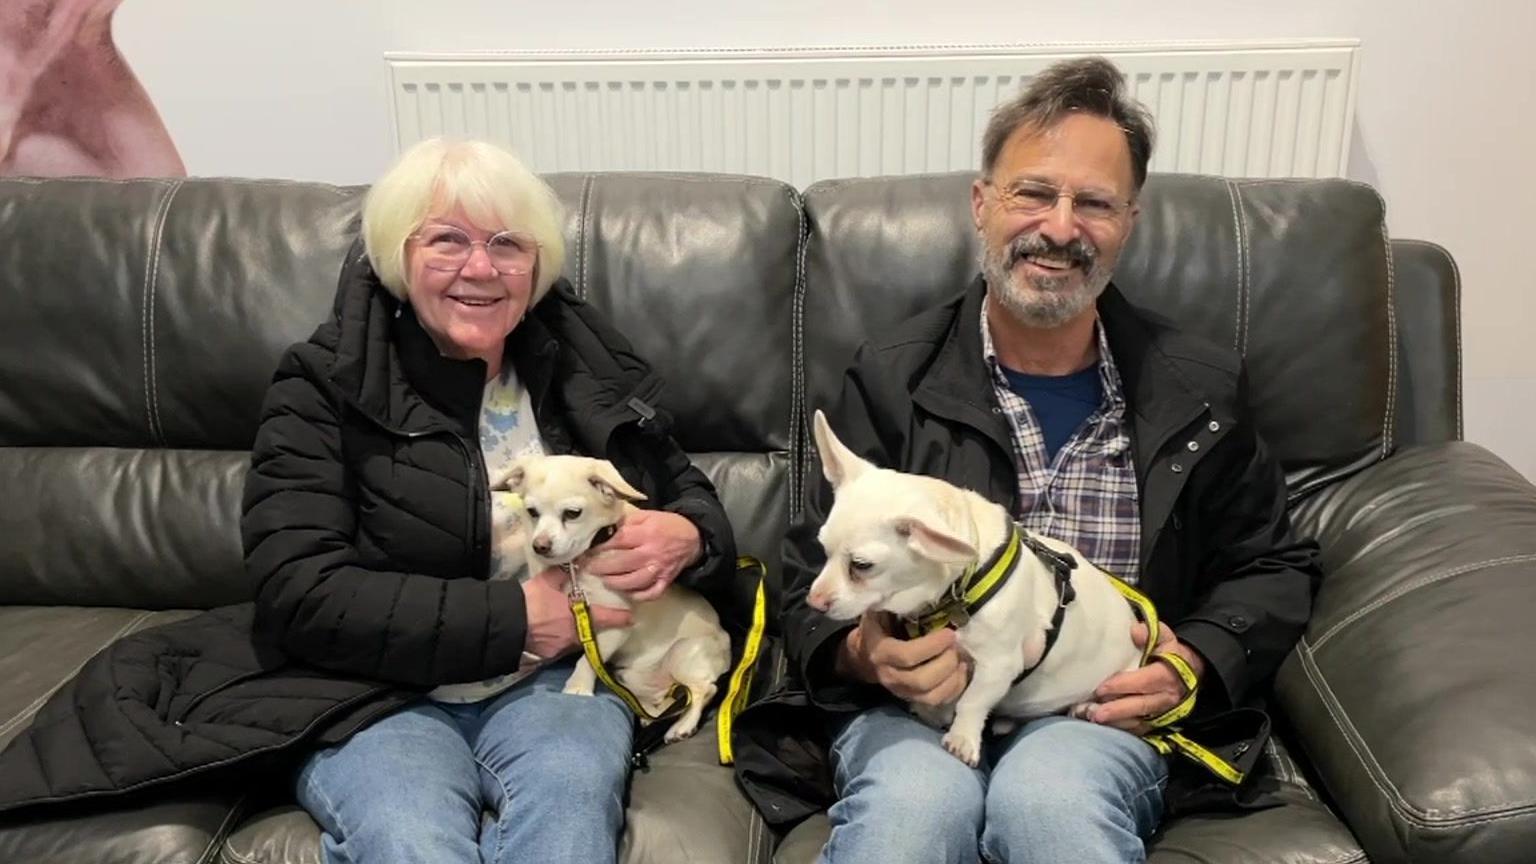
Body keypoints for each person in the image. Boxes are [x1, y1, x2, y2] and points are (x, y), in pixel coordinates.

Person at [735, 57, 1319, 863]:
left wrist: (1202, 658)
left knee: (1050, 808)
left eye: (1095, 203)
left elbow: (1274, 564)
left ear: (1130, 222)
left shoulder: (1198, 387)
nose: (1060, 227)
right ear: (982, 204)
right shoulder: (892, 373)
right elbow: (805, 568)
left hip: (1088, 708)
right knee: (909, 818)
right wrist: (862, 656)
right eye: (1034, 193)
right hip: (916, 711)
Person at [241, 137, 736, 864]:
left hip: (556, 691)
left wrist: (690, 535)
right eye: (447, 240)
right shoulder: (323, 384)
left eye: (508, 244)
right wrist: (514, 619)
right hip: (378, 693)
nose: (481, 267)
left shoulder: (585, 366)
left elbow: (687, 488)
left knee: (569, 819)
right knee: (409, 840)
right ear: (396, 253)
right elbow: (297, 588)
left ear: (535, 265)